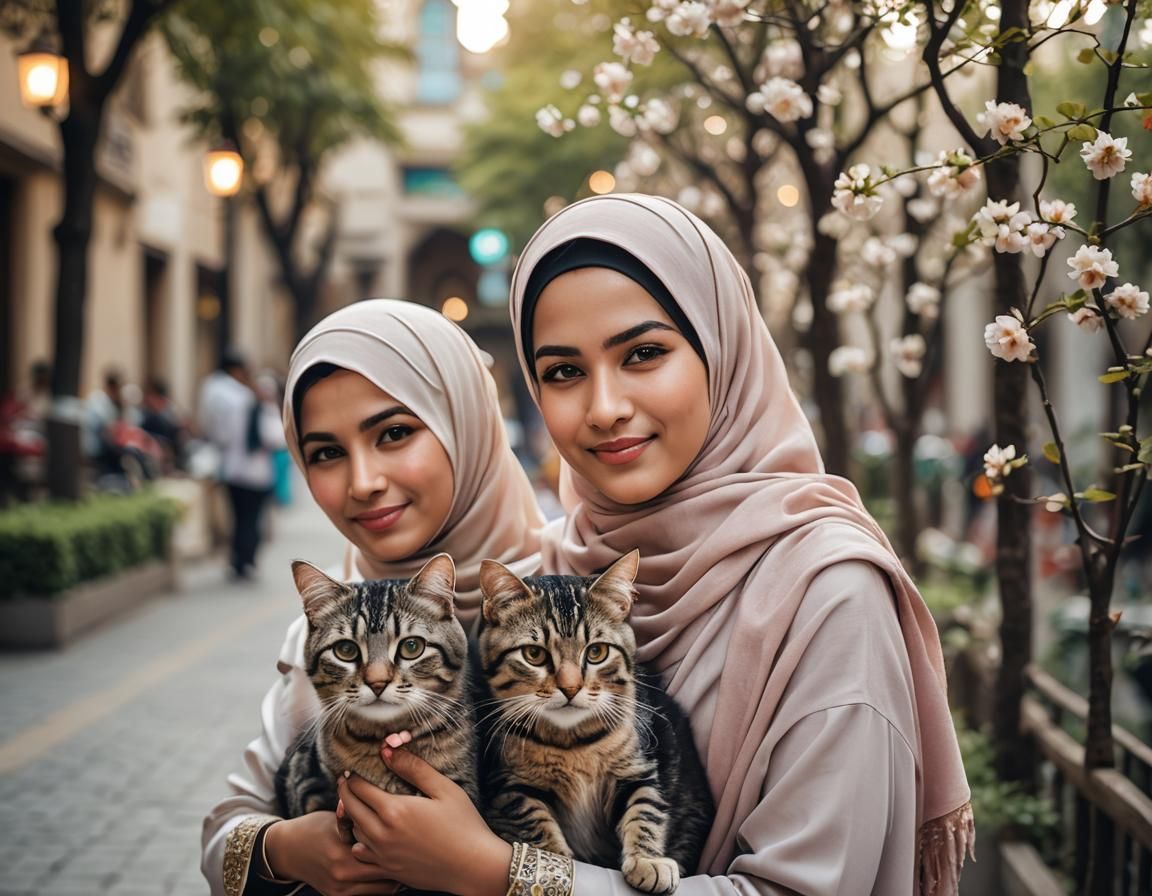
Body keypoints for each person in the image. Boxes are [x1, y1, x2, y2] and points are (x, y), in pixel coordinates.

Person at [332, 195, 973, 896]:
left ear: (718, 349)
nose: (604, 407)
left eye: (644, 353)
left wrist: (500, 875)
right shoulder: (559, 565)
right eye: (563, 372)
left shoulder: (827, 593)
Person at [200, 299, 545, 896]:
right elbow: (225, 830)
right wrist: (290, 848)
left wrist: (498, 873)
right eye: (326, 453)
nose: (363, 482)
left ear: (465, 419)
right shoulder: (331, 624)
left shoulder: (583, 599)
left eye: (394, 433)